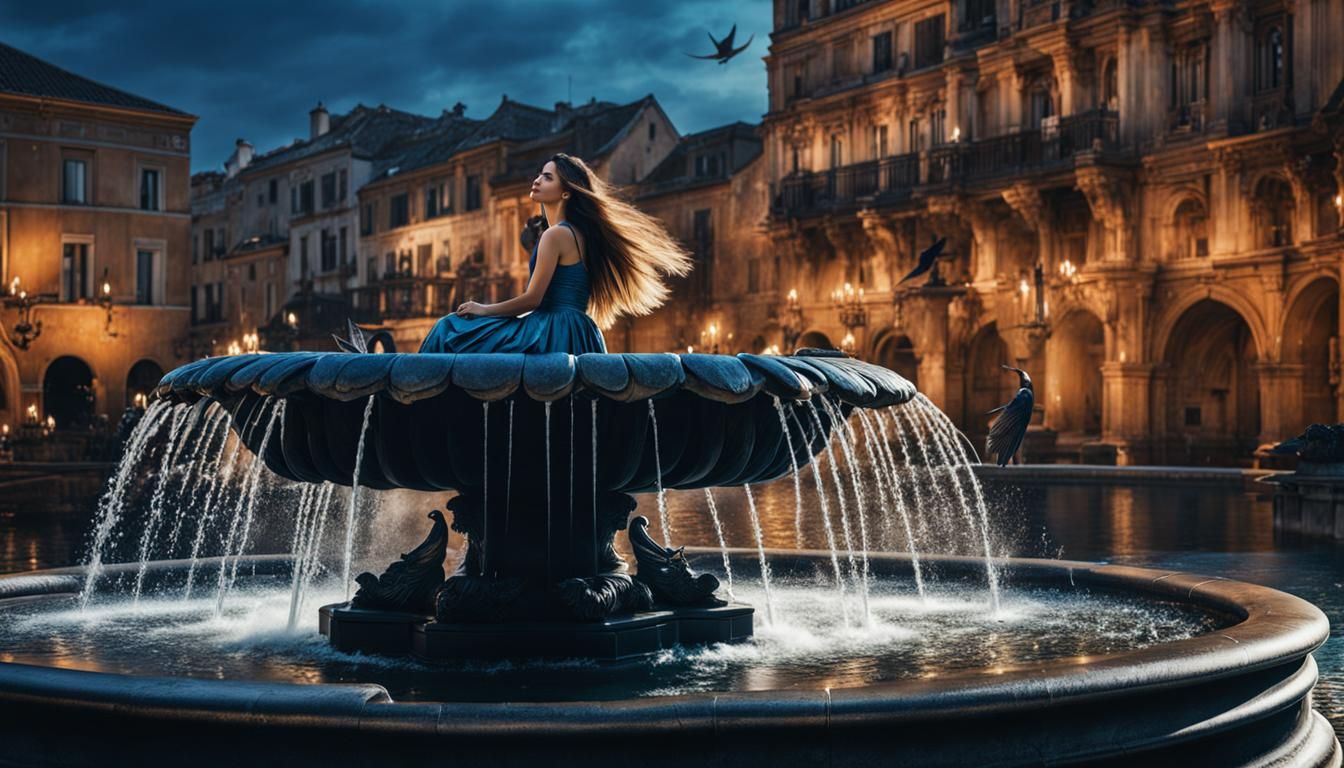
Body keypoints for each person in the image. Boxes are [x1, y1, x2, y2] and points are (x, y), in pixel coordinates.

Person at [419, 153, 692, 354]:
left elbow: (533, 299)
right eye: (540, 174)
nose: (537, 181)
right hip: (579, 329)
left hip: (551, 331)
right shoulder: (578, 233)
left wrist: (483, 309)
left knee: (450, 329)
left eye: (547, 177)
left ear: (565, 194)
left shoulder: (556, 234)